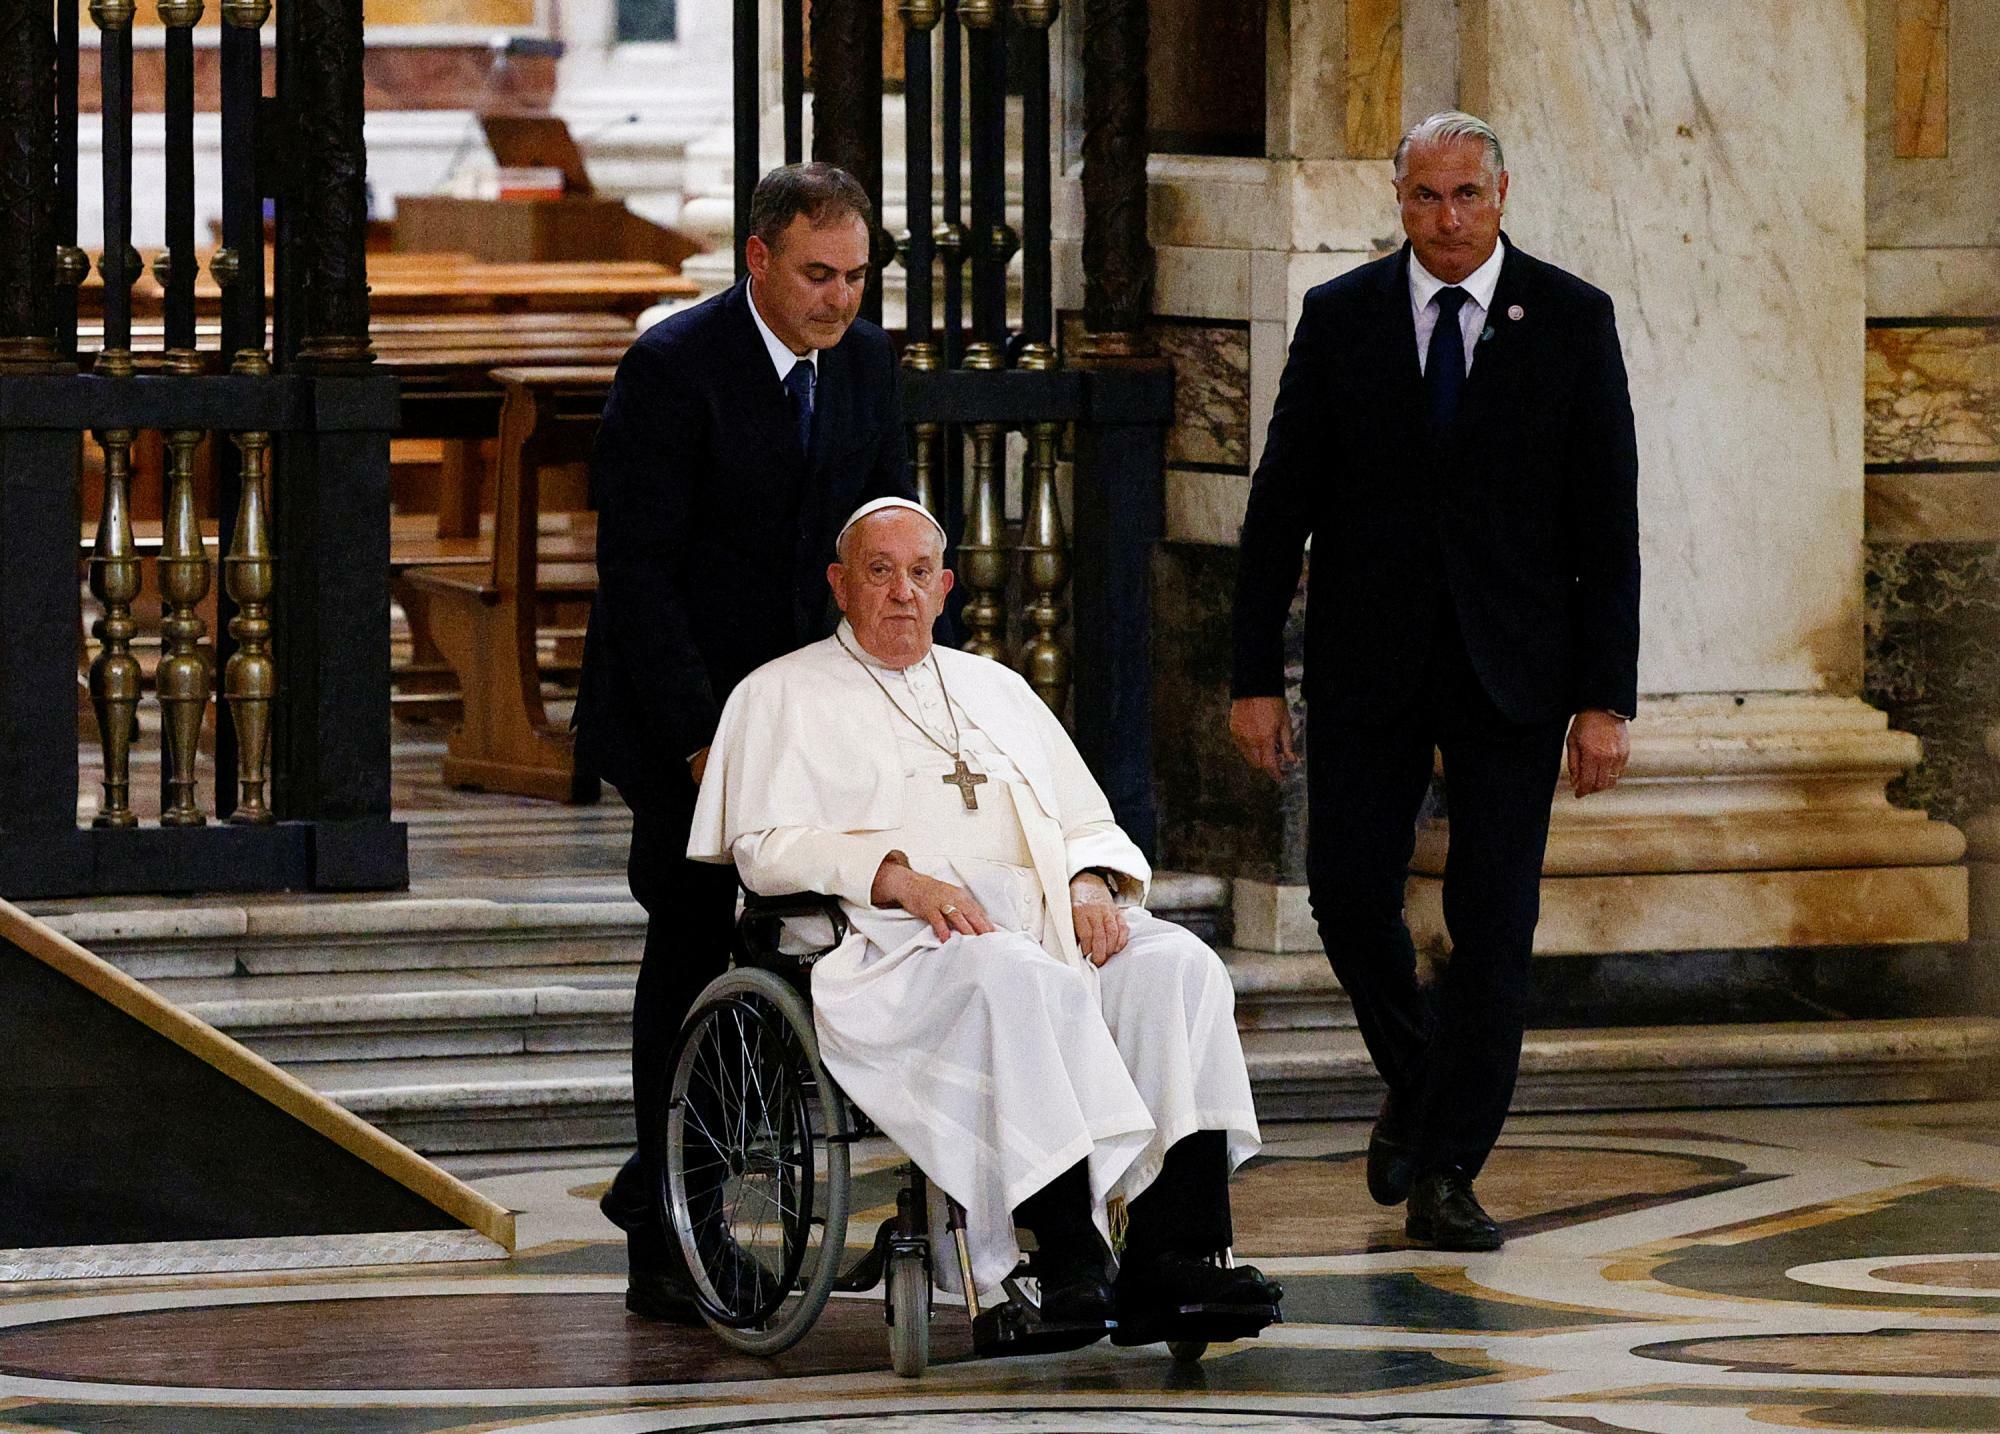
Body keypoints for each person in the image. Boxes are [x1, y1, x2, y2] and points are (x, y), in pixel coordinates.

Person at [688, 497, 1281, 1331]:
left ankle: (1173, 1255)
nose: (902, 592)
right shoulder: (778, 694)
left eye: (920, 573)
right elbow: (763, 847)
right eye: (880, 571)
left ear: (947, 587)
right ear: (840, 584)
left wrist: (1085, 883)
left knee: (1178, 966)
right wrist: (895, 878)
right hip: (891, 947)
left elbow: (1084, 818)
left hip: (1044, 921)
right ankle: (1067, 1253)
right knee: (1015, 979)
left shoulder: (996, 689)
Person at [1229, 111, 1640, 1252]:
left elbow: (1606, 522)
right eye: (1423, 197)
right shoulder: (1341, 317)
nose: (1445, 219)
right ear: (1395, 198)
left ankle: (1447, 1169)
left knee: (1492, 925)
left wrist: (1607, 699)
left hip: (1517, 671)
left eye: (1465, 195)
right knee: (1348, 894)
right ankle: (1418, 1083)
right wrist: (1252, 672)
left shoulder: (1569, 319)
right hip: (1368, 663)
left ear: (1500, 195)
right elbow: (1279, 505)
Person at [573, 162, 917, 1321]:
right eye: (817, 275)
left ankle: (668, 1185)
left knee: (801, 948)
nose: (838, 300)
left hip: (814, 715)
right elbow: (639, 577)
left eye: (856, 277)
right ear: (757, 259)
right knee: (692, 948)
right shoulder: (673, 370)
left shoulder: (868, 364)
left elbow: (885, 539)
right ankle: (672, 1242)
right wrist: (696, 745)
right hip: (690, 717)